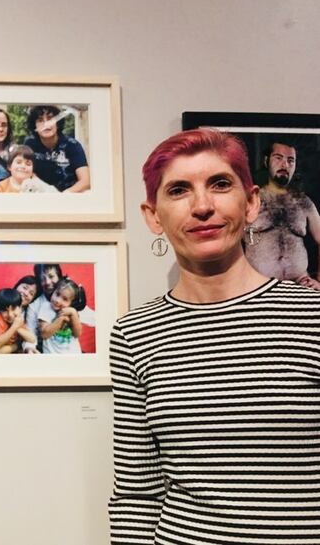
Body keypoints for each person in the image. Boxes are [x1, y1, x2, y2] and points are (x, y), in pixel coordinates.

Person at [109, 128, 320, 544]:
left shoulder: (312, 316)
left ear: (251, 202)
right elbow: (136, 495)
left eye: (220, 185)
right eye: (179, 190)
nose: (202, 206)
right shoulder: (134, 334)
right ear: (153, 216)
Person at [245, 141, 320, 289]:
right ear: (266, 161)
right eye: (278, 158)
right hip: (259, 287)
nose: (285, 165)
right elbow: (229, 241)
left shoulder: (304, 202)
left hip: (301, 285)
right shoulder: (250, 200)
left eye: (290, 160)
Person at [23, 105, 89, 193]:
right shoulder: (30, 144)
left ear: (58, 123)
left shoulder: (72, 145)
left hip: (70, 197)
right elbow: (26, 173)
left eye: (50, 119)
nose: (46, 124)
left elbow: (85, 181)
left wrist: (63, 196)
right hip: (41, 195)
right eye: (40, 120)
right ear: (34, 126)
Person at [0, 288, 36, 353]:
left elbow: (32, 339)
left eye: (13, 308)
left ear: (20, 307)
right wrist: (14, 327)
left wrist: (17, 328)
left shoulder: (17, 320)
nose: (10, 314)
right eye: (4, 310)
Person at [37, 278, 85, 354]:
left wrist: (74, 313)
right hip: (52, 355)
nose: (57, 300)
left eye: (65, 299)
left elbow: (77, 334)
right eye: (57, 294)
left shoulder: (72, 312)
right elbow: (44, 334)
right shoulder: (46, 307)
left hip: (74, 354)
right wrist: (61, 318)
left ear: (71, 303)